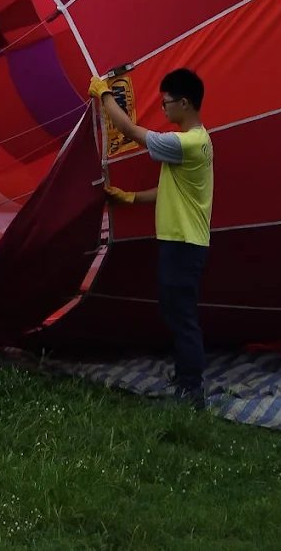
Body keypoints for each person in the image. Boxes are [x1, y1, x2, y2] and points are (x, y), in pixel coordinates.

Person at [90, 68, 213, 407]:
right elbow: (169, 190)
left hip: (184, 244)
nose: (163, 109)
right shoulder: (197, 141)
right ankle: (187, 376)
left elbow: (130, 131)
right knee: (175, 311)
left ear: (184, 103)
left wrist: (104, 95)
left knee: (182, 316)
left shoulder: (186, 143)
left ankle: (191, 391)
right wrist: (131, 197)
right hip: (181, 242)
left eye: (165, 103)